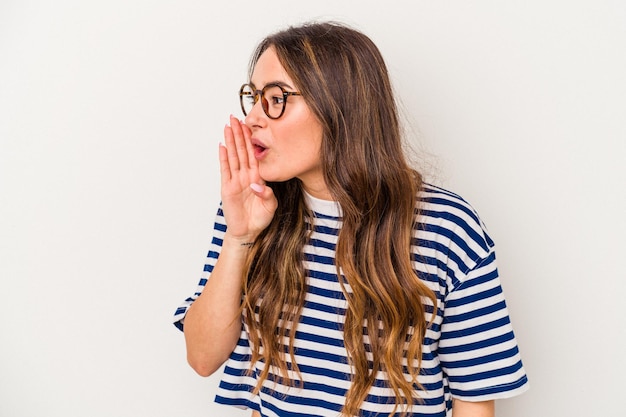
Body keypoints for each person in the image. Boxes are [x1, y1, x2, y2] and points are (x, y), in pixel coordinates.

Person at [173, 21, 529, 417]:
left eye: (276, 98)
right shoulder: (250, 209)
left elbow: (475, 396)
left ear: (338, 108)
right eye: (253, 97)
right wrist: (240, 236)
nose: (254, 117)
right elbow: (202, 358)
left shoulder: (445, 228)